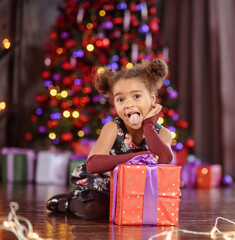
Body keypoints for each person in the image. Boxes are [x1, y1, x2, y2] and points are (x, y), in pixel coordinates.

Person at [46, 59, 173, 219]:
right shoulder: (113, 128)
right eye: (120, 99)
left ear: (153, 100)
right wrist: (139, 157)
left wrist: (148, 126)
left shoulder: (163, 134)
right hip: (107, 185)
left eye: (136, 96)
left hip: (143, 189)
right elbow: (93, 164)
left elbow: (165, 160)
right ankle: (69, 202)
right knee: (97, 210)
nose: (128, 104)